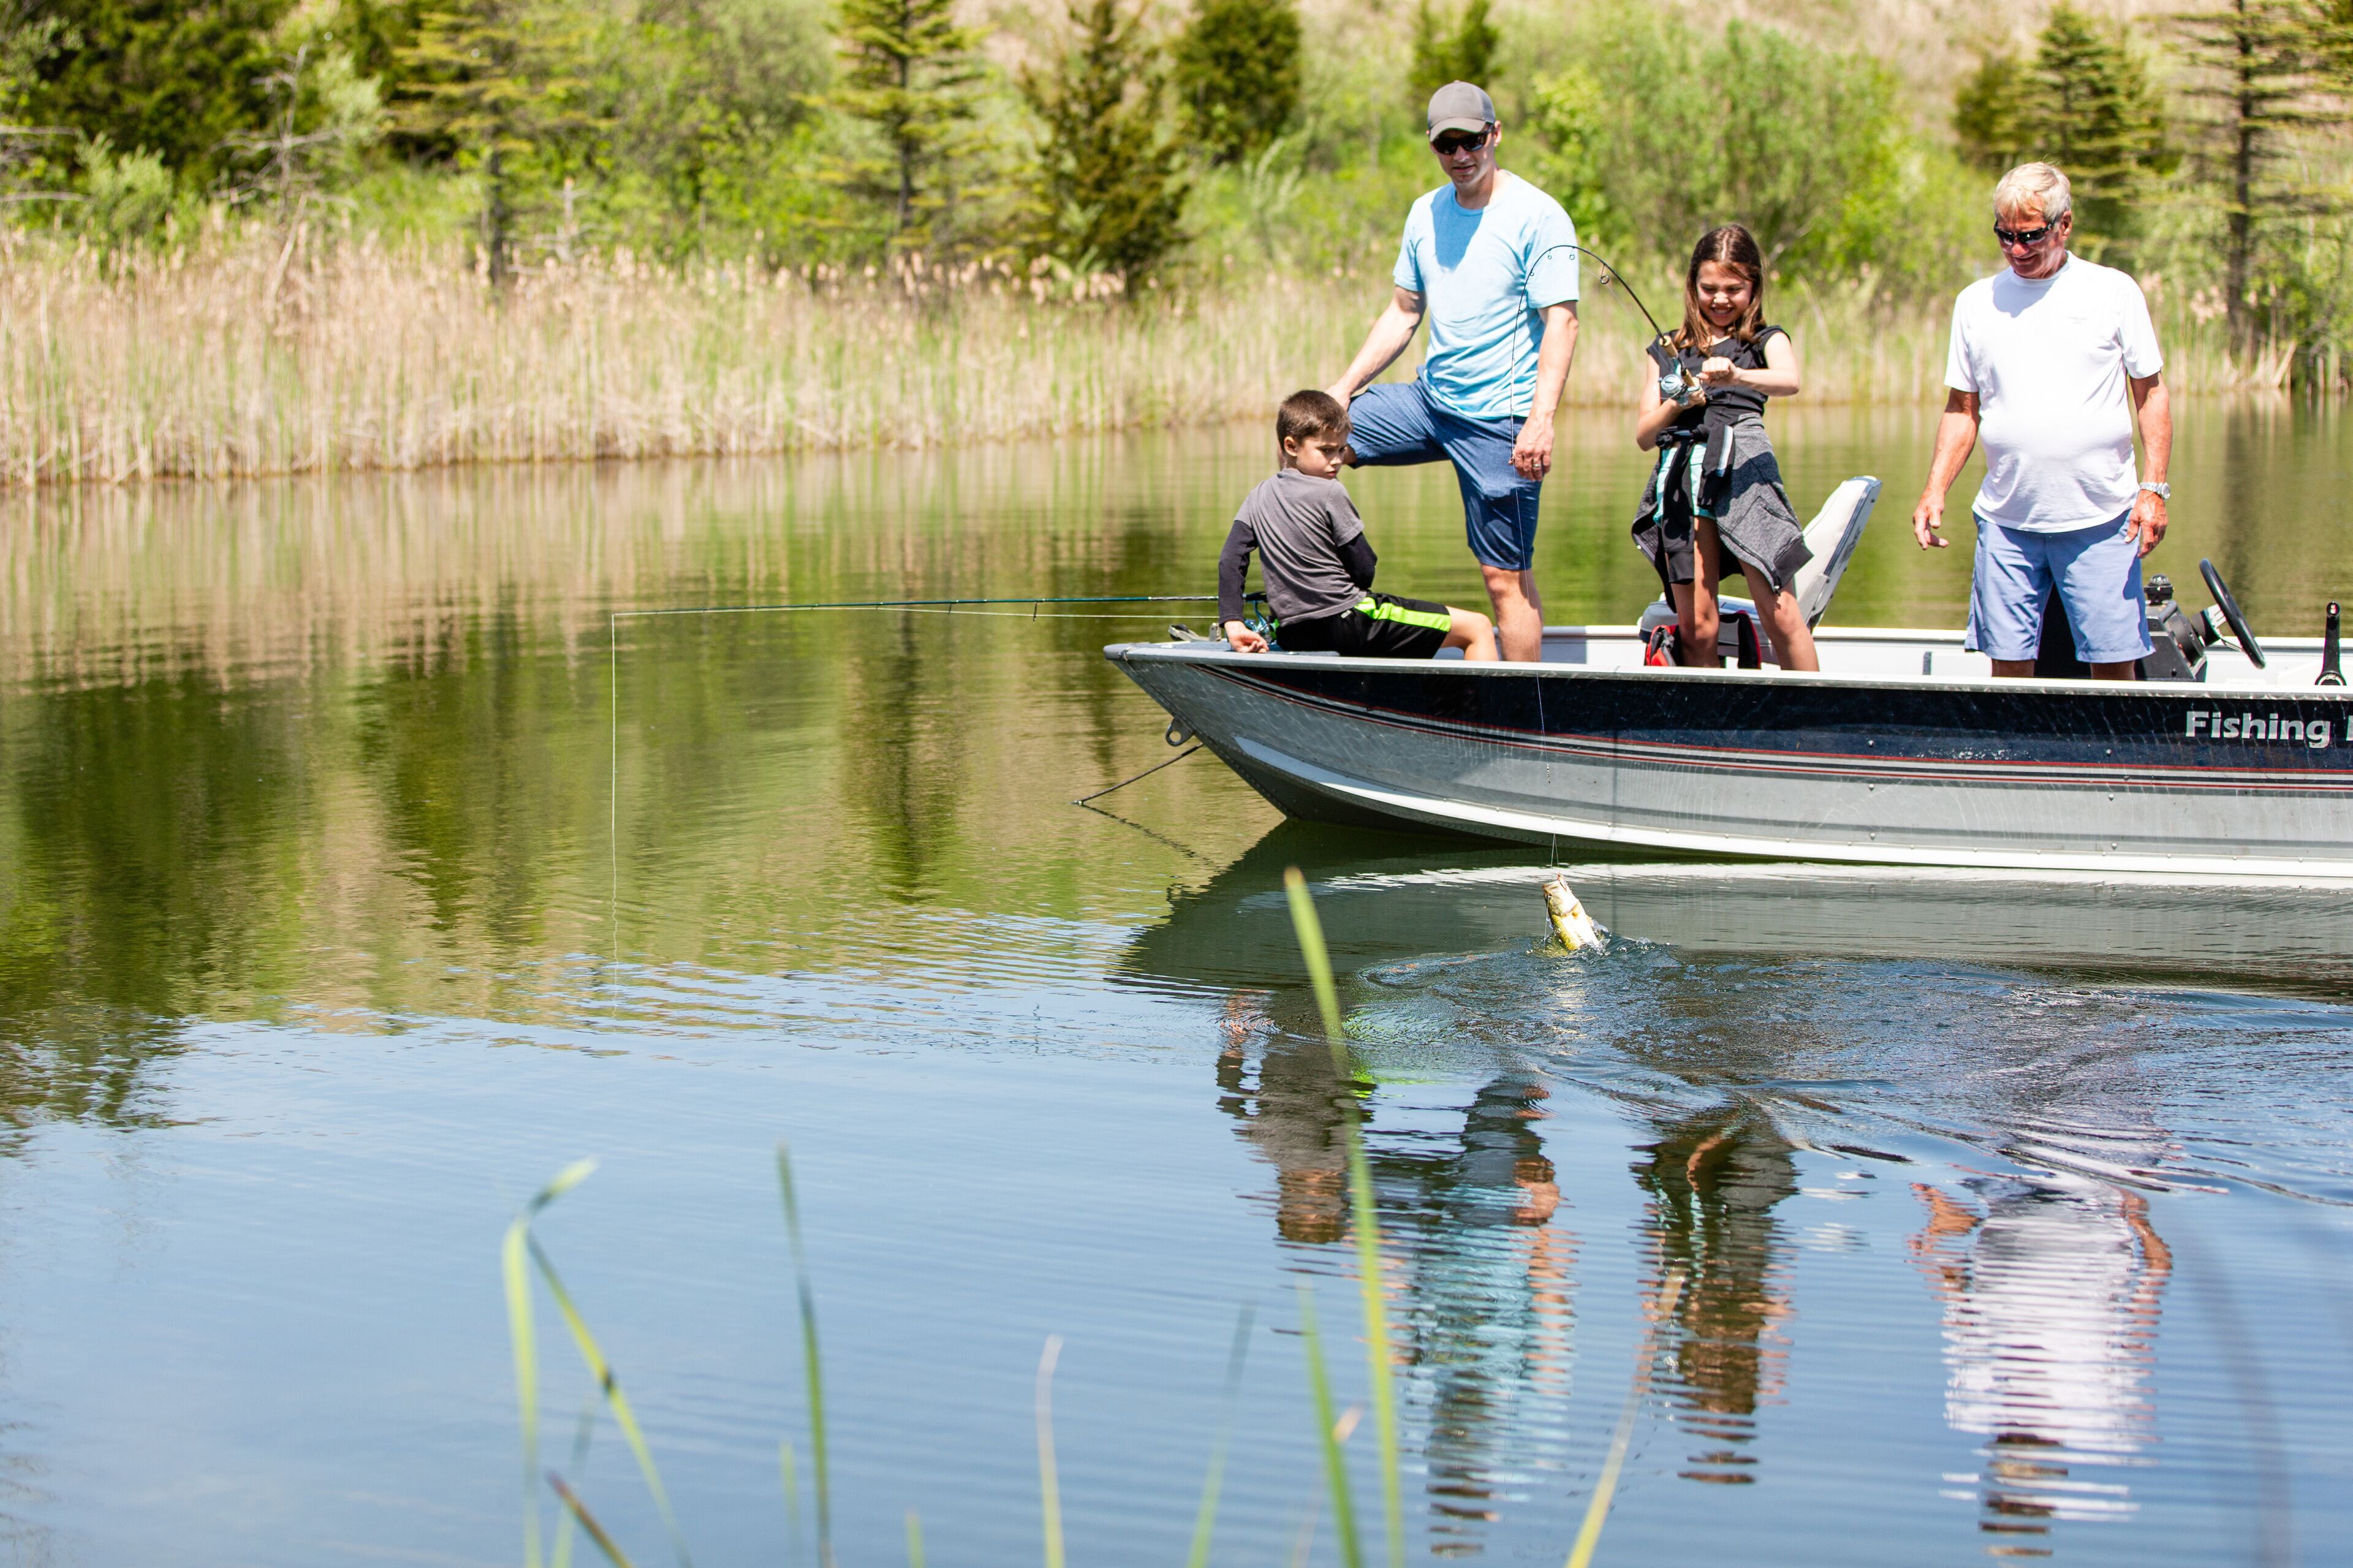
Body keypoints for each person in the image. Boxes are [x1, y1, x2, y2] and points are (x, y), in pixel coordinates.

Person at [1322, 80, 1579, 662]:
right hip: (1430, 402)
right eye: (1447, 145)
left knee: (1503, 579)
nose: (1462, 156)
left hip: (1502, 422)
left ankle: (1523, 718)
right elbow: (1404, 311)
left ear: (1496, 135)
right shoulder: (1426, 213)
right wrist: (1341, 390)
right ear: (1434, 147)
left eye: (1472, 141)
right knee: (1314, 437)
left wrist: (1540, 421)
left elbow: (1562, 322)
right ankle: (1322, 599)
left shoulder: (1539, 217)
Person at [1912, 162, 2171, 680]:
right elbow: (1963, 409)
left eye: (2030, 236)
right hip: (2008, 520)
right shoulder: (1975, 304)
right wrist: (1935, 487)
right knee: (2008, 667)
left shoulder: (2113, 292)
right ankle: (2014, 761)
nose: (2017, 250)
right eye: (2005, 236)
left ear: (2065, 225)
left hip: (2103, 519)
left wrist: (2154, 488)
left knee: (2113, 665)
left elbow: (2151, 393)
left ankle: (2110, 760)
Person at [1631, 224, 1819, 672]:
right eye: (1709, 288)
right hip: (1681, 484)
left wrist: (1734, 376)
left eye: (1733, 289)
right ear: (1693, 285)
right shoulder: (1669, 348)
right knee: (1698, 627)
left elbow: (1790, 380)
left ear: (1753, 286)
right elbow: (1643, 435)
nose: (1720, 299)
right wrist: (1677, 403)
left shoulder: (1765, 339)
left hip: (1744, 477)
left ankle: (1816, 720)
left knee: (1781, 612)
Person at [1219, 390, 1497, 660]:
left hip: (1293, 632)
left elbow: (1231, 559)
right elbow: (1364, 567)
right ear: (1290, 446)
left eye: (1342, 449)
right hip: (1349, 621)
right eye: (1326, 451)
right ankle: (1492, 709)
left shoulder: (1257, 496)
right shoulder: (1330, 491)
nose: (1337, 460)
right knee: (1478, 628)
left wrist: (1233, 621)